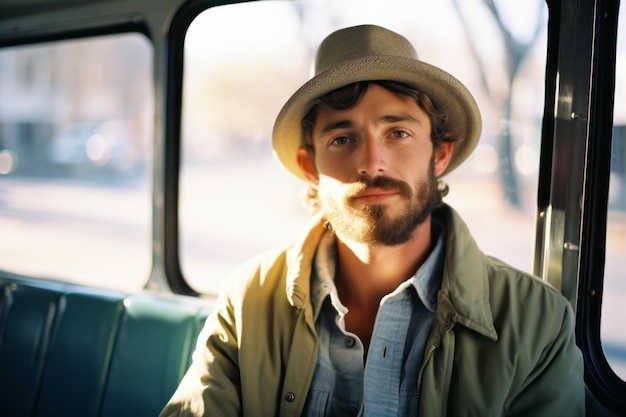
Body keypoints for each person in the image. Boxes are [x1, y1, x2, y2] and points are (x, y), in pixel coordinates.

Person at [160, 24, 585, 416]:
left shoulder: (538, 323)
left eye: (397, 133)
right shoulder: (247, 300)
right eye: (342, 138)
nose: (371, 162)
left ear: (439, 154)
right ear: (311, 167)